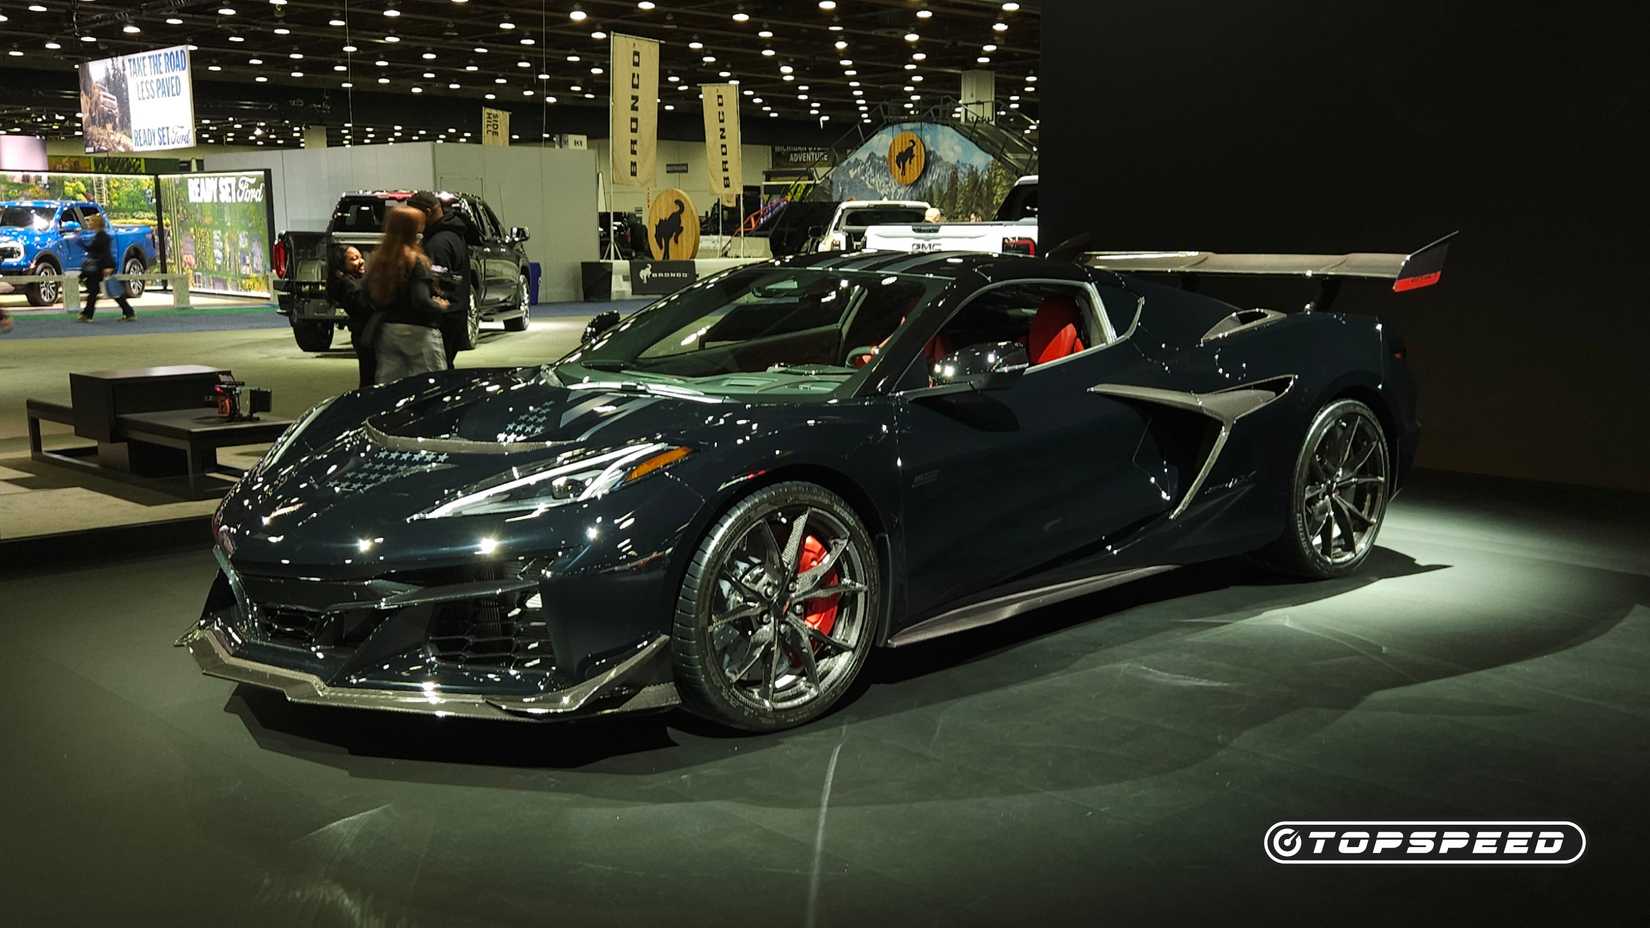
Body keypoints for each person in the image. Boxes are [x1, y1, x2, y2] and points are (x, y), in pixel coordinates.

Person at [364, 206, 450, 384]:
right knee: (430, 386)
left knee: (390, 389)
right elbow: (420, 300)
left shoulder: (378, 259)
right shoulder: (415, 260)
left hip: (388, 331)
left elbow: (368, 294)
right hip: (419, 332)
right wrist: (440, 306)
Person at [407, 191, 470, 369]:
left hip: (443, 321)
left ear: (427, 212)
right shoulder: (452, 234)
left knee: (438, 373)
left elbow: (435, 286)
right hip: (454, 314)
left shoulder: (438, 243)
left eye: (414, 215)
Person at [330, 245, 376, 389]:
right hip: (364, 334)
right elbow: (364, 307)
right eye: (354, 259)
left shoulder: (356, 281)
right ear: (343, 264)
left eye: (360, 256)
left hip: (365, 334)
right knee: (369, 378)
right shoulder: (347, 285)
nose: (361, 261)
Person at [77, 213, 135, 322]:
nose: (89, 223)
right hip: (101, 267)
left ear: (97, 224)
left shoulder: (102, 236)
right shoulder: (100, 235)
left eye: (91, 222)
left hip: (102, 267)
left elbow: (102, 253)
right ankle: (128, 312)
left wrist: (107, 267)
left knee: (103, 290)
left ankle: (87, 314)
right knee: (104, 291)